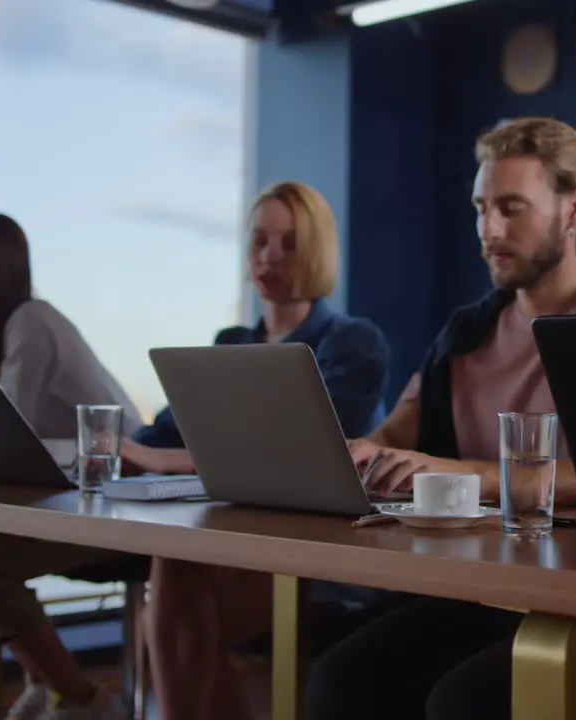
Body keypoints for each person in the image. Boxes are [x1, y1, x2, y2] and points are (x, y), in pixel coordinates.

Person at [308, 117, 576, 720]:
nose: (489, 230)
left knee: (464, 705)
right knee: (340, 681)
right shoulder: (468, 332)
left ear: (573, 209)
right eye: (481, 208)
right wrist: (360, 455)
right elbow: (398, 435)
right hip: (491, 593)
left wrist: (461, 475)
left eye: (512, 208)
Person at [134, 180, 392, 720]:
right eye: (259, 242)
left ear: (316, 251)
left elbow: (306, 452)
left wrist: (168, 461)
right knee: (171, 593)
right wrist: (105, 447)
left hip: (325, 550)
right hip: (240, 543)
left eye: (290, 243)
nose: (270, 256)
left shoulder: (354, 341)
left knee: (170, 607)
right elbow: (160, 436)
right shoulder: (232, 343)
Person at [0, 212, 145, 720]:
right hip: (74, 491)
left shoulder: (32, 321)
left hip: (120, 494)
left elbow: (5, 428)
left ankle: (84, 699)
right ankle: (49, 683)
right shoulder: (1, 332)